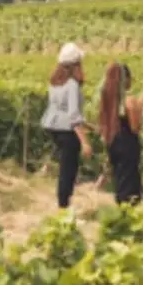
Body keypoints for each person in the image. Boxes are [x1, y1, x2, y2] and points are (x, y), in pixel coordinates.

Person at [40, 42, 92, 209]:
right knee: (68, 171)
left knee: (65, 168)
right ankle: (64, 208)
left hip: (53, 127)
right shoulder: (72, 85)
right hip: (67, 131)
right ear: (75, 65)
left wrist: (91, 126)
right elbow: (73, 115)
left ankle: (64, 205)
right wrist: (84, 142)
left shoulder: (54, 82)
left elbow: (61, 110)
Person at [97, 62, 143, 205]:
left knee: (120, 181)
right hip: (127, 146)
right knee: (130, 184)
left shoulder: (108, 101)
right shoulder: (129, 101)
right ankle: (129, 216)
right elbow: (135, 127)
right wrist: (141, 107)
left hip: (113, 143)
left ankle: (121, 211)